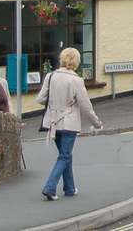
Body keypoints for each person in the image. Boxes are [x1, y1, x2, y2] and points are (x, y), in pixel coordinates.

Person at [36, 47, 102, 201]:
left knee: (65, 155)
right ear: (76, 61)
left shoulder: (51, 76)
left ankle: (70, 188)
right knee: (65, 156)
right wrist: (97, 123)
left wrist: (54, 103)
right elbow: (86, 107)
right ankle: (50, 187)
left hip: (53, 122)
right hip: (69, 123)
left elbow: (40, 99)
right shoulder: (76, 80)